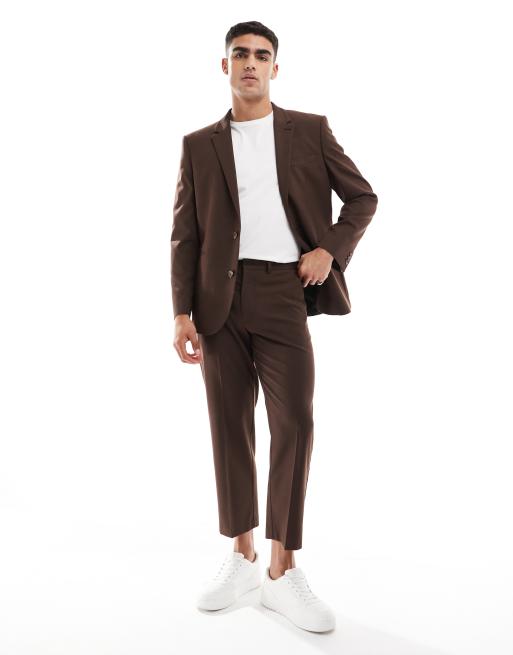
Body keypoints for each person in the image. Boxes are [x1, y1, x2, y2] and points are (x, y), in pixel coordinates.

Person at [170, 20, 378, 632]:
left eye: (262, 56)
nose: (250, 64)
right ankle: (242, 556)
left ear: (275, 68)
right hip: (219, 303)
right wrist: (181, 311)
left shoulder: (308, 130)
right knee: (229, 426)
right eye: (240, 54)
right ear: (225, 65)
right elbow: (186, 234)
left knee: (295, 423)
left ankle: (283, 571)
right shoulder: (198, 145)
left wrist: (329, 250)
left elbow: (362, 198)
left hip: (285, 291)